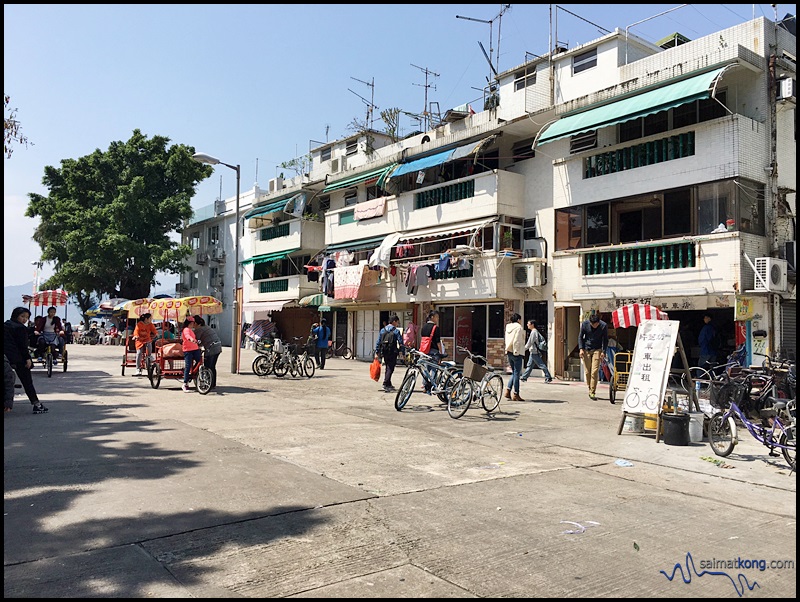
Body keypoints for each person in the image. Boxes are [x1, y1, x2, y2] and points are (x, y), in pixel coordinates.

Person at [4, 307, 48, 414]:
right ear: (16, 316)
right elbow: (23, 346)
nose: (24, 319)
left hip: (6, 357)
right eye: (22, 316)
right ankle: (36, 404)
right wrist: (28, 359)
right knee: (27, 381)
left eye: (26, 318)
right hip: (18, 358)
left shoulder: (6, 325)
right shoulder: (20, 328)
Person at [579, 312, 609, 400]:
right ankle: (589, 387)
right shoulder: (585, 324)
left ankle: (592, 391)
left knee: (594, 371)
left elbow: (605, 339)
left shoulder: (603, 326)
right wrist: (581, 349)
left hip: (597, 349)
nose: (594, 326)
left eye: (596, 324)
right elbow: (580, 337)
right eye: (593, 325)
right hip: (586, 349)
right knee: (587, 372)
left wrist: (604, 351)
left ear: (598, 322)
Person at [375, 314, 403, 392]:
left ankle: (388, 383)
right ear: (394, 322)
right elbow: (401, 342)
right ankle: (386, 383)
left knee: (387, 366)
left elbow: (378, 342)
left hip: (384, 351)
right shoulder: (396, 331)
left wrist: (377, 352)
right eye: (397, 322)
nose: (397, 324)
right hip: (393, 351)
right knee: (390, 368)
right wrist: (402, 351)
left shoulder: (383, 330)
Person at [194, 315, 222, 390]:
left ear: (197, 324)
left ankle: (208, 384)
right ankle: (212, 384)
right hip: (218, 346)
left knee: (208, 366)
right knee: (212, 366)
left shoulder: (199, 329)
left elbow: (195, 340)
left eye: (193, 323)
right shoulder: (206, 327)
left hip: (211, 348)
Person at [420, 310, 444, 394]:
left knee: (426, 368)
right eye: (437, 317)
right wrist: (441, 353)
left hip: (425, 350)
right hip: (433, 351)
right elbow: (438, 342)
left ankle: (425, 386)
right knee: (434, 368)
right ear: (432, 317)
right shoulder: (435, 328)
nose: (438, 319)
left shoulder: (424, 327)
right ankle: (431, 386)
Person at [521, 319, 552, 383]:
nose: (527, 325)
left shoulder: (534, 332)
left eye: (528, 323)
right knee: (530, 365)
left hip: (534, 351)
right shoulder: (534, 332)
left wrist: (523, 349)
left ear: (532, 325)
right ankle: (524, 377)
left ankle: (548, 377)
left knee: (541, 365)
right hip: (533, 351)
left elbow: (530, 342)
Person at [504, 312, 526, 401]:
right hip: (516, 352)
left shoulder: (508, 327)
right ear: (518, 319)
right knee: (517, 373)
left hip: (509, 351)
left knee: (514, 372)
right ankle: (516, 393)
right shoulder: (519, 328)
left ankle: (508, 391)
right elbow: (517, 341)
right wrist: (516, 352)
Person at [181, 316, 202, 393]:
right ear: (190, 323)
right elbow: (187, 336)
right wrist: (191, 339)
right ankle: (185, 383)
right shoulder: (186, 329)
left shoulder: (191, 330)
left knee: (200, 361)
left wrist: (197, 341)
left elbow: (194, 338)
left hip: (195, 348)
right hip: (188, 350)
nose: (194, 324)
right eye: (193, 323)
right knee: (188, 365)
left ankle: (194, 373)